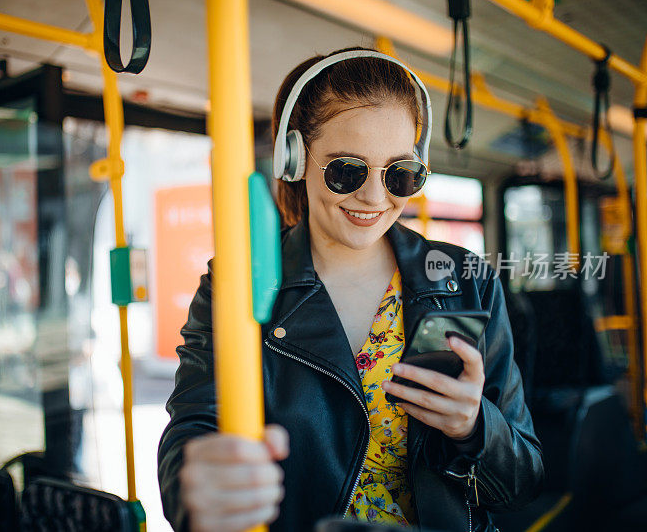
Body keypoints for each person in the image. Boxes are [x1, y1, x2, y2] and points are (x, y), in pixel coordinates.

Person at [157, 47, 544, 532]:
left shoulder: (465, 279)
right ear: (294, 158)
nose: (376, 198)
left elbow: (524, 479)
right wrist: (194, 483)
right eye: (347, 170)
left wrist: (475, 427)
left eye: (401, 173)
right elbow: (191, 434)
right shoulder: (235, 283)